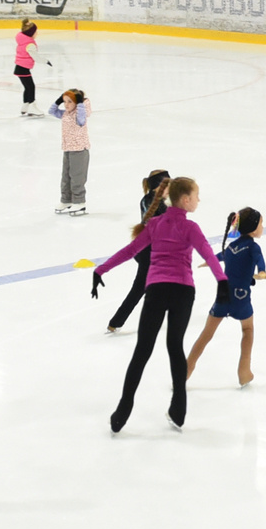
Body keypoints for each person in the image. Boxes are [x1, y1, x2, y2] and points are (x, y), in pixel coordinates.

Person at [94, 175, 228, 432]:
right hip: (183, 291)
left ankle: (124, 408)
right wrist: (221, 281)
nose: (199, 200)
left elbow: (130, 250)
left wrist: (101, 269)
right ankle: (179, 407)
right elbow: (209, 256)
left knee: (142, 349)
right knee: (175, 346)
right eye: (197, 195)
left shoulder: (155, 224)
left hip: (156, 289)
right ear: (186, 200)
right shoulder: (191, 228)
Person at [187, 209, 266, 388]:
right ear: (254, 228)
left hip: (223, 295)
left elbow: (221, 256)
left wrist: (210, 260)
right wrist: (261, 272)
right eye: (261, 223)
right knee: (247, 330)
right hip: (241, 297)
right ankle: (244, 371)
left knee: (206, 334)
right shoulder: (253, 247)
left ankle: (186, 369)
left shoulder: (232, 246)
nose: (263, 227)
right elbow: (259, 260)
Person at [100, 169, 172, 334]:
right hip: (149, 253)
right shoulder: (158, 204)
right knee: (139, 288)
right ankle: (116, 321)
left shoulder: (150, 200)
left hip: (149, 249)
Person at [49, 88, 91, 216]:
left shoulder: (79, 116)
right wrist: (58, 100)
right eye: (64, 102)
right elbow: (51, 111)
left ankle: (79, 202)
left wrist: (79, 103)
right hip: (67, 149)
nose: (66, 105)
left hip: (79, 150)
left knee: (77, 177)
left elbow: (81, 117)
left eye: (69, 102)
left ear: (77, 103)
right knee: (66, 177)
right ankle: (67, 199)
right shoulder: (65, 114)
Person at [13, 20, 40, 114]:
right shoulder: (30, 44)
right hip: (23, 69)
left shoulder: (22, 42)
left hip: (19, 68)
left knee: (27, 87)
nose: (37, 33)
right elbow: (36, 57)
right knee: (31, 87)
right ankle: (32, 106)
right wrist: (46, 61)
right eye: (36, 32)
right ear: (31, 33)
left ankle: (25, 106)